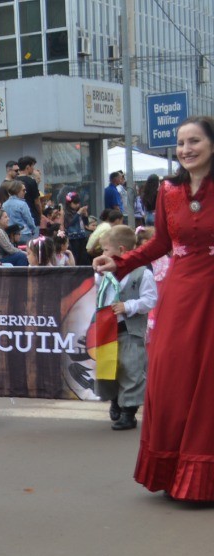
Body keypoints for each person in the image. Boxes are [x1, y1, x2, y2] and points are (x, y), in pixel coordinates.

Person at [93, 117, 214, 500]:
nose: (186, 149)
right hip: (180, 292)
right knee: (171, 375)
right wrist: (119, 261)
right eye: (181, 143)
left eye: (194, 141)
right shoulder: (169, 191)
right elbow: (161, 243)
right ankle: (174, 471)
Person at [91, 225, 156, 432]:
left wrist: (128, 306)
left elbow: (150, 299)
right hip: (107, 331)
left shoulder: (142, 273)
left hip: (130, 330)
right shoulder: (103, 274)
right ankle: (115, 400)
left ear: (121, 250)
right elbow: (96, 293)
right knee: (110, 368)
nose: (102, 254)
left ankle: (129, 411)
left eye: (105, 250)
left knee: (131, 368)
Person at [15, 155, 43, 227]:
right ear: (28, 167)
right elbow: (37, 202)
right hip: (32, 215)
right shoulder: (31, 182)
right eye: (32, 166)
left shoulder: (14, 181)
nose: (33, 169)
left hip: (17, 217)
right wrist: (41, 214)